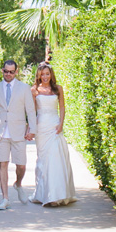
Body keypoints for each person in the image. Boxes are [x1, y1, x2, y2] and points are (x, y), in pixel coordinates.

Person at [0, 60, 37, 210]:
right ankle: (5, 198)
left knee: (21, 165)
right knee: (3, 164)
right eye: (6, 71)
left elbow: (31, 111)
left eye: (11, 72)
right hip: (1, 132)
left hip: (19, 132)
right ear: (2, 71)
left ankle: (18, 184)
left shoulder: (24, 88)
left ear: (16, 72)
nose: (8, 74)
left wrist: (32, 129)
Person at [30, 61, 77, 207]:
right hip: (41, 127)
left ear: (51, 74)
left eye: (47, 74)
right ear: (38, 75)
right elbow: (31, 111)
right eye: (42, 74)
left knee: (56, 157)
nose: (45, 76)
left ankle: (57, 194)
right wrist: (30, 128)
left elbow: (62, 107)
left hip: (54, 125)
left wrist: (61, 123)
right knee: (43, 159)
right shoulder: (34, 90)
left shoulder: (58, 89)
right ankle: (44, 193)